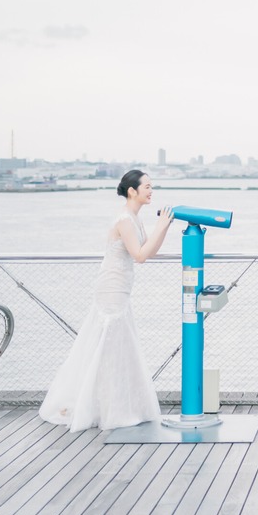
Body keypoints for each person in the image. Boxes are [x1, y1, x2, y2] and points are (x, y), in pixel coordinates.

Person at [39, 169, 175, 431]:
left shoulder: (135, 218)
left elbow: (149, 251)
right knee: (108, 344)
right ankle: (97, 406)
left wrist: (164, 228)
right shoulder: (124, 219)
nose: (151, 190)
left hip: (122, 287)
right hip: (111, 287)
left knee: (117, 345)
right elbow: (139, 255)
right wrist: (160, 226)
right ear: (132, 191)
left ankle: (109, 403)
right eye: (147, 186)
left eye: (151, 186)